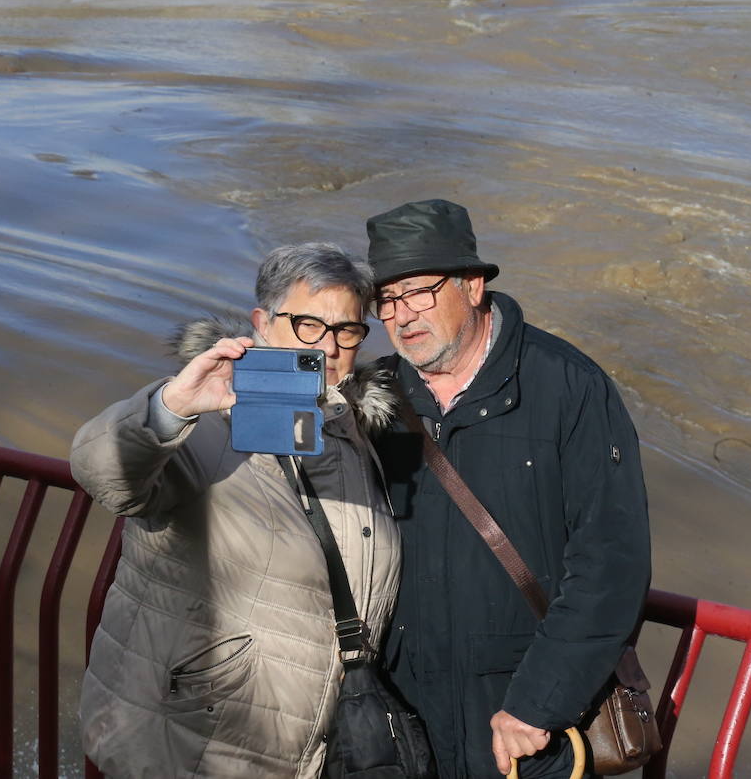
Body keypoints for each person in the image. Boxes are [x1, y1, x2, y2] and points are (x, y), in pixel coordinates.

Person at [72, 242, 403, 778]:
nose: (328, 348)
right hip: (203, 741)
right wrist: (171, 406)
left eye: (348, 331)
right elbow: (103, 472)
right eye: (308, 325)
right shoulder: (208, 417)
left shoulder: (351, 430)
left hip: (310, 747)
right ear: (262, 322)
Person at [364, 199, 651, 779]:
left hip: (523, 728)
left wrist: (538, 704)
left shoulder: (568, 388)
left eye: (418, 291)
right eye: (388, 299)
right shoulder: (375, 399)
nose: (402, 315)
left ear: (472, 286)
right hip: (402, 716)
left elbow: (611, 565)